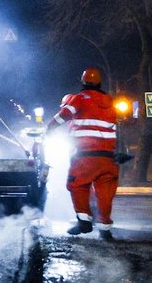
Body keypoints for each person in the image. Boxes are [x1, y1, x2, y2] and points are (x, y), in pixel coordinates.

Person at [46, 67, 119, 241]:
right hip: (108, 157)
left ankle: (84, 221)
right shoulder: (109, 101)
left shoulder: (79, 99)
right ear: (100, 82)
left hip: (86, 156)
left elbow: (63, 116)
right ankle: (105, 230)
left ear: (83, 82)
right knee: (105, 192)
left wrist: (48, 129)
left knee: (77, 185)